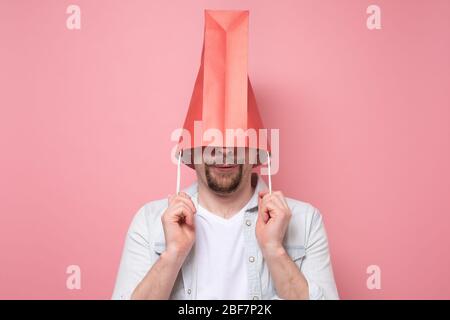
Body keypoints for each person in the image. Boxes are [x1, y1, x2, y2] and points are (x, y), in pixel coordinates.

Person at [112, 10, 338, 300]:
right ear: (189, 152)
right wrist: (172, 254)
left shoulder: (305, 221)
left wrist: (275, 250)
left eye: (237, 139)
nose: (224, 151)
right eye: (210, 141)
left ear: (257, 150)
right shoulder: (150, 221)